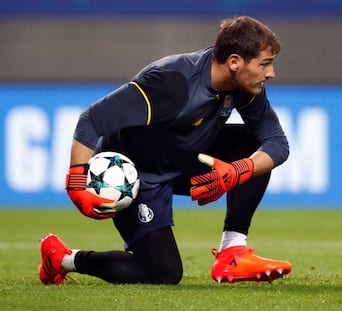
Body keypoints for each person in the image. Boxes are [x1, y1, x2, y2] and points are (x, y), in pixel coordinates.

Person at [38, 15, 292, 285]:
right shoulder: (171, 82)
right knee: (164, 274)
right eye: (265, 64)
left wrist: (239, 169)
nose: (270, 73)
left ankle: (233, 252)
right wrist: (78, 183)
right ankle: (63, 258)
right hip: (137, 176)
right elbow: (92, 119)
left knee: (253, 148)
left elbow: (277, 142)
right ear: (234, 62)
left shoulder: (245, 87)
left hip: (183, 159)